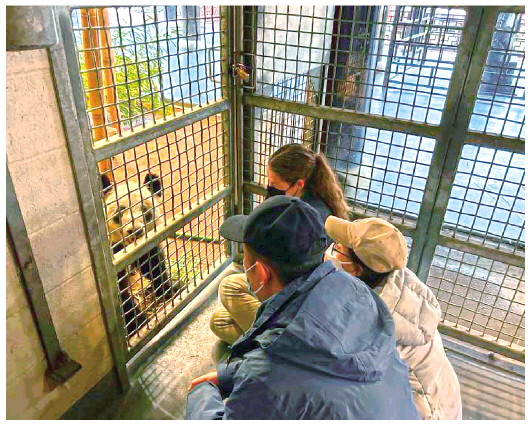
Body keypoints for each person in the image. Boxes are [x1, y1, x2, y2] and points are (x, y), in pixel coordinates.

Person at [185, 196, 420, 420]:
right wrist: (231, 375)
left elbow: (280, 375)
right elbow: (305, 372)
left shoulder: (267, 371)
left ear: (261, 273)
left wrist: (201, 392)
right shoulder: (357, 292)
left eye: (245, 259)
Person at [324, 215, 462, 420]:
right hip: (443, 396)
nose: (330, 251)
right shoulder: (395, 279)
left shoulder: (373, 324)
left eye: (338, 248)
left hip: (423, 411)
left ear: (357, 269)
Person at [210, 143, 349, 344]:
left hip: (296, 296)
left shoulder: (307, 219)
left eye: (275, 184)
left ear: (299, 184)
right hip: (299, 286)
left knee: (227, 297)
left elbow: (285, 274)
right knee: (220, 317)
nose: (270, 188)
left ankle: (275, 345)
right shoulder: (310, 203)